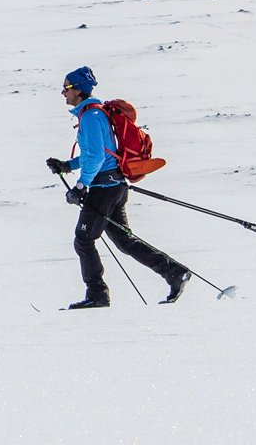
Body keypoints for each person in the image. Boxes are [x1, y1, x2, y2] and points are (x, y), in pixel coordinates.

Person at [46, 66, 191, 309]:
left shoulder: (91, 117)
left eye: (67, 88)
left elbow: (96, 158)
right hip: (114, 186)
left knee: (83, 240)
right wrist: (67, 165)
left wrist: (81, 186)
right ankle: (175, 273)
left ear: (79, 90)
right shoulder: (93, 113)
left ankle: (97, 295)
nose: (63, 93)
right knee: (124, 241)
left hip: (104, 189)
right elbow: (97, 153)